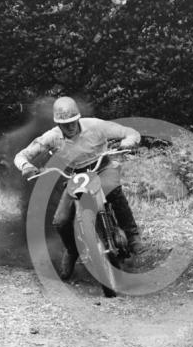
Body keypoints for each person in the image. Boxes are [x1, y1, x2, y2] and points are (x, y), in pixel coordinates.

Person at [14, 96, 143, 280]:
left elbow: (129, 131)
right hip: (76, 176)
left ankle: (133, 237)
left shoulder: (96, 126)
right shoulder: (52, 137)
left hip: (102, 167)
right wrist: (26, 166)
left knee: (114, 191)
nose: (70, 126)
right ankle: (72, 250)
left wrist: (129, 140)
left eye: (72, 121)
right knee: (60, 220)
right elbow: (22, 155)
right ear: (58, 123)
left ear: (78, 118)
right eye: (64, 123)